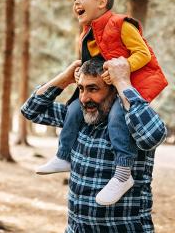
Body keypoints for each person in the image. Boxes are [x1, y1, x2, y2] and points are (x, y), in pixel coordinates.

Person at [36, 0, 168, 206]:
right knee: (74, 108)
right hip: (104, 89)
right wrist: (79, 75)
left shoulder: (121, 24)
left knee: (118, 117)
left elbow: (143, 54)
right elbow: (90, 65)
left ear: (102, 2)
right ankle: (63, 156)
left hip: (129, 84)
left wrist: (122, 69)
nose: (76, 3)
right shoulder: (86, 35)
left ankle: (123, 175)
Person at [21, 57, 167, 232]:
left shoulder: (133, 123)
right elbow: (31, 110)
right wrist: (65, 78)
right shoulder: (78, 119)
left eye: (93, 89)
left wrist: (122, 82)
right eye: (81, 88)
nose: (83, 98)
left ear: (114, 90)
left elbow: (154, 135)